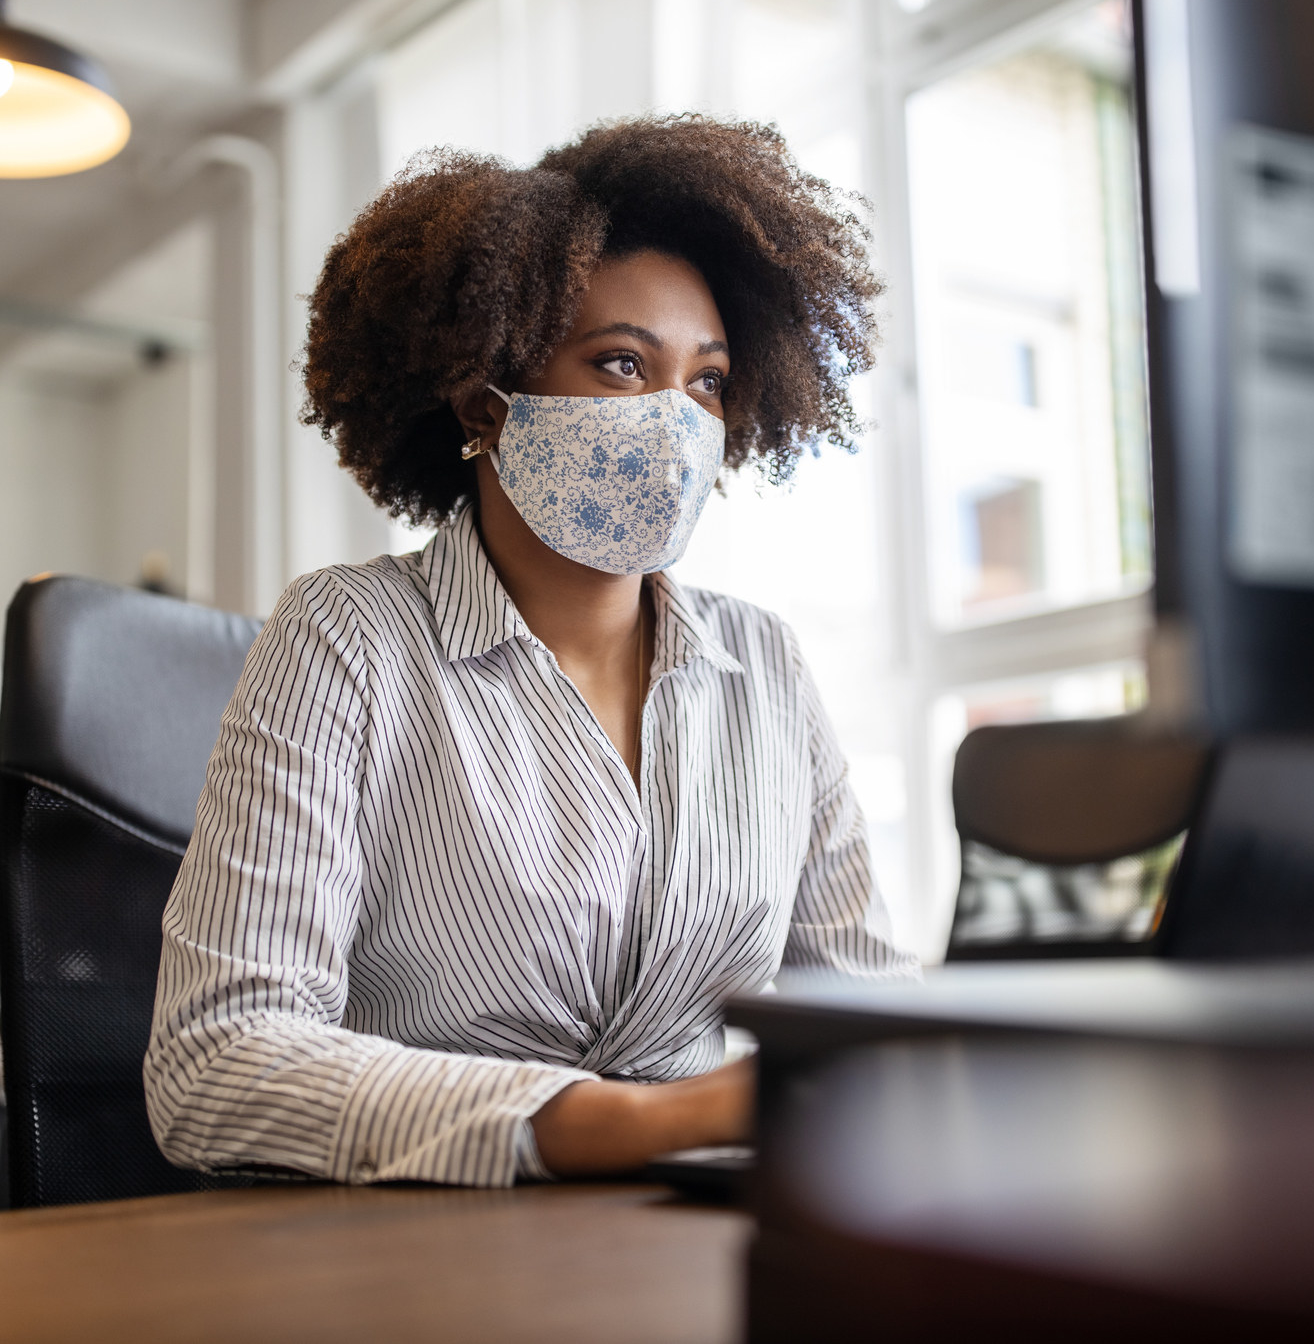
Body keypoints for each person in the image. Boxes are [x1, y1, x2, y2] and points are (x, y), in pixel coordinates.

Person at [144, 115, 914, 1188]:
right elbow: (214, 1063)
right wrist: (642, 1121)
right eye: (619, 364)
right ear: (481, 399)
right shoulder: (348, 638)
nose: (674, 422)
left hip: (697, 1241)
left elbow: (871, 1016)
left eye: (705, 383)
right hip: (419, 1253)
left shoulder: (765, 666)